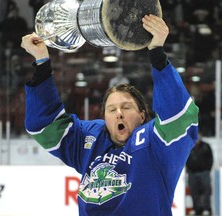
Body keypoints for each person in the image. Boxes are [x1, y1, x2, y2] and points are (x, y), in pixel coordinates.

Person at [21, 14, 199, 216]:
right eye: (111, 110)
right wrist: (42, 62)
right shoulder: (91, 140)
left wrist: (157, 53)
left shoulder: (156, 144)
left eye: (127, 107)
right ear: (104, 117)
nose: (119, 114)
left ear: (142, 115)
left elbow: (180, 117)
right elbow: (45, 126)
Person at [186, 132, 213, 215]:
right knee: (194, 192)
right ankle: (196, 209)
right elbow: (185, 158)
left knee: (206, 191)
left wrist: (207, 169)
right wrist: (188, 168)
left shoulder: (206, 146)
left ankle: (206, 208)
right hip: (192, 173)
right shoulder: (189, 146)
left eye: (199, 136)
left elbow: (210, 159)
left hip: (204, 172)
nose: (198, 138)